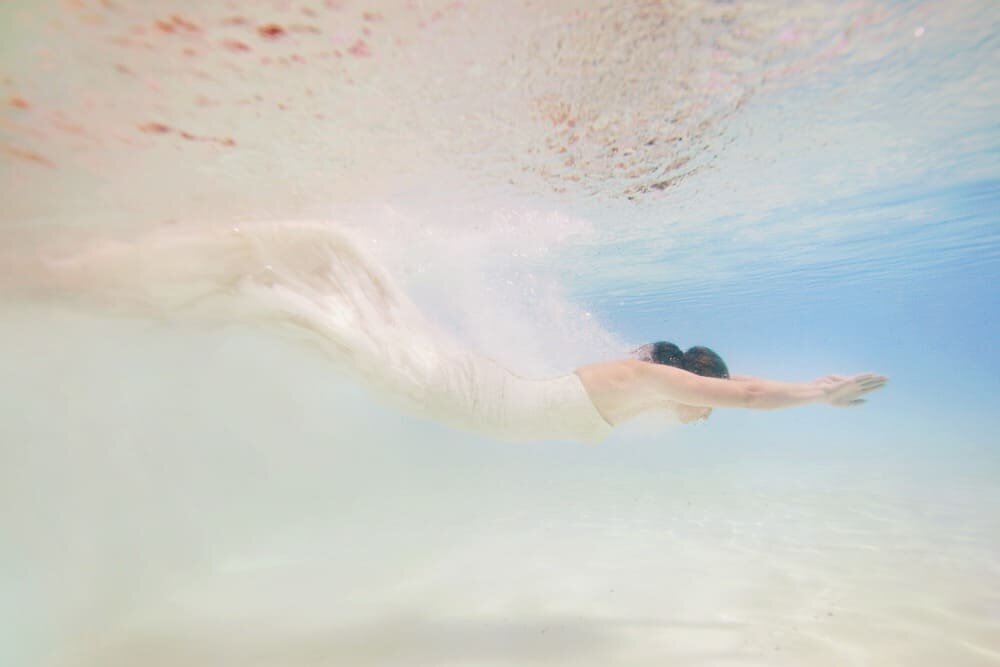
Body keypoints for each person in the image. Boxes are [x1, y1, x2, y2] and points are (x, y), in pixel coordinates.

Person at [571, 341, 888, 437]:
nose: (705, 413)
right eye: (708, 407)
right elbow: (749, 397)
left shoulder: (649, 384)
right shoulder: (650, 378)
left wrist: (809, 386)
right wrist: (822, 395)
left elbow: (741, 384)